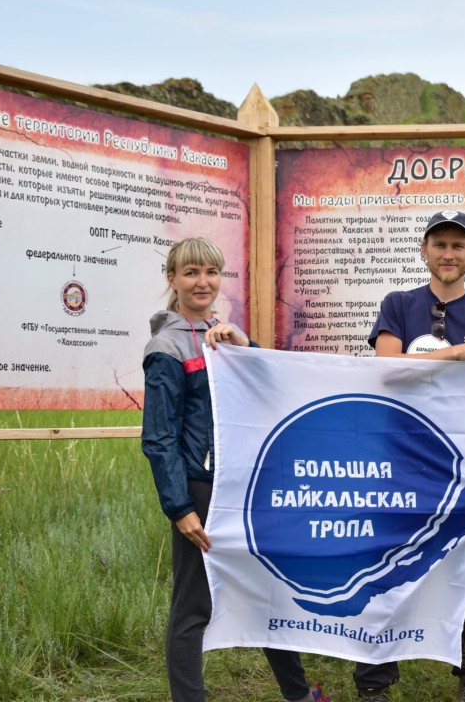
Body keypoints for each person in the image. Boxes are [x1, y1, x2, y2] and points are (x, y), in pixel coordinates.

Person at [140, 237, 328, 702]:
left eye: (210, 272)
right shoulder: (165, 346)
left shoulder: (224, 332)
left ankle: (300, 696)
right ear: (172, 280)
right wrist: (180, 507)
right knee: (194, 606)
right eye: (190, 273)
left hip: (243, 485)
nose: (201, 281)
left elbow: (266, 386)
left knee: (267, 592)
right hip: (202, 491)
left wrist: (246, 346)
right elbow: (159, 437)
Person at [362, 210, 465, 702]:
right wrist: (456, 352)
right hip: (400, 463)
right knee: (384, 572)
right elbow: (386, 369)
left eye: (458, 245)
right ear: (424, 251)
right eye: (440, 244)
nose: (448, 254)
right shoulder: (398, 305)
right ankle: (375, 682)